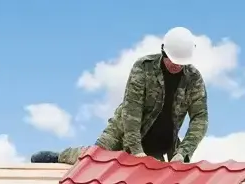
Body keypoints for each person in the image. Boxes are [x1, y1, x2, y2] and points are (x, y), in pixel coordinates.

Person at [31, 27, 208, 165]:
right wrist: (136, 150)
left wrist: (183, 152)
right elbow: (132, 110)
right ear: (163, 52)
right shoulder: (143, 67)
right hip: (124, 130)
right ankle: (59, 156)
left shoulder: (193, 79)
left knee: (151, 181)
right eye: (173, 60)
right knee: (95, 159)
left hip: (159, 142)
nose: (176, 65)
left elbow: (200, 118)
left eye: (181, 62)